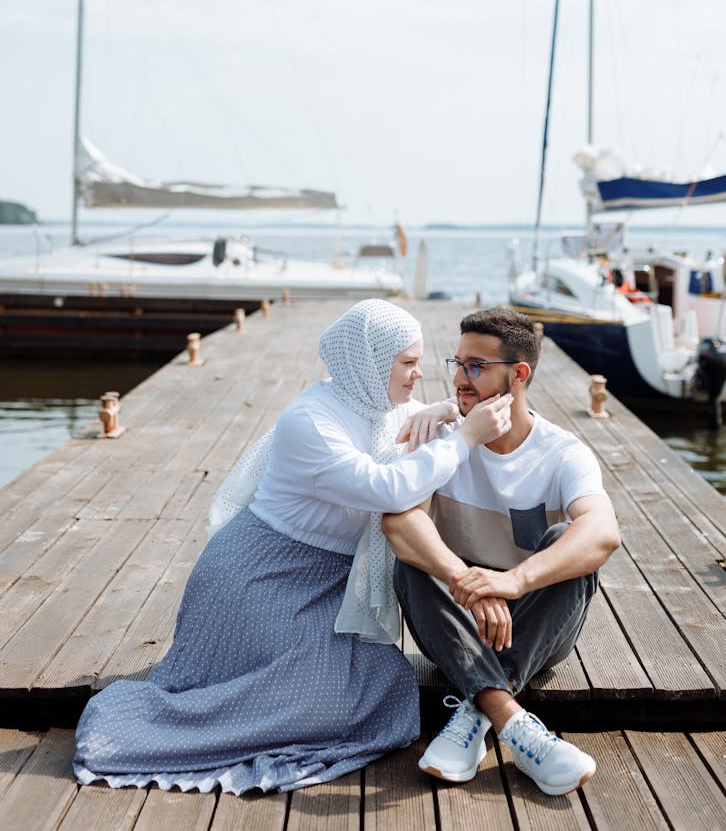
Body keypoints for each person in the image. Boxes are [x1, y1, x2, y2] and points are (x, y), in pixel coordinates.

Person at [73, 299, 513, 795]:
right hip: (261, 577)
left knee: (385, 684)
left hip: (328, 584)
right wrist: (463, 439)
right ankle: (149, 728)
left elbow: (417, 423)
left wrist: (448, 409)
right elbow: (386, 488)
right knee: (329, 695)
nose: (419, 375)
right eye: (409, 363)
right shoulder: (311, 420)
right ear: (369, 361)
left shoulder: (380, 403)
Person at [382, 307, 620, 798]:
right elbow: (400, 523)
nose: (458, 379)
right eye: (457, 362)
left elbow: (602, 532)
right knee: (411, 558)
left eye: (475, 366)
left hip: (537, 626)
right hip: (457, 620)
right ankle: (510, 720)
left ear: (518, 374)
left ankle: (476, 709)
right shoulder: (445, 438)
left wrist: (512, 582)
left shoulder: (562, 452)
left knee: (566, 542)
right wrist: (468, 582)